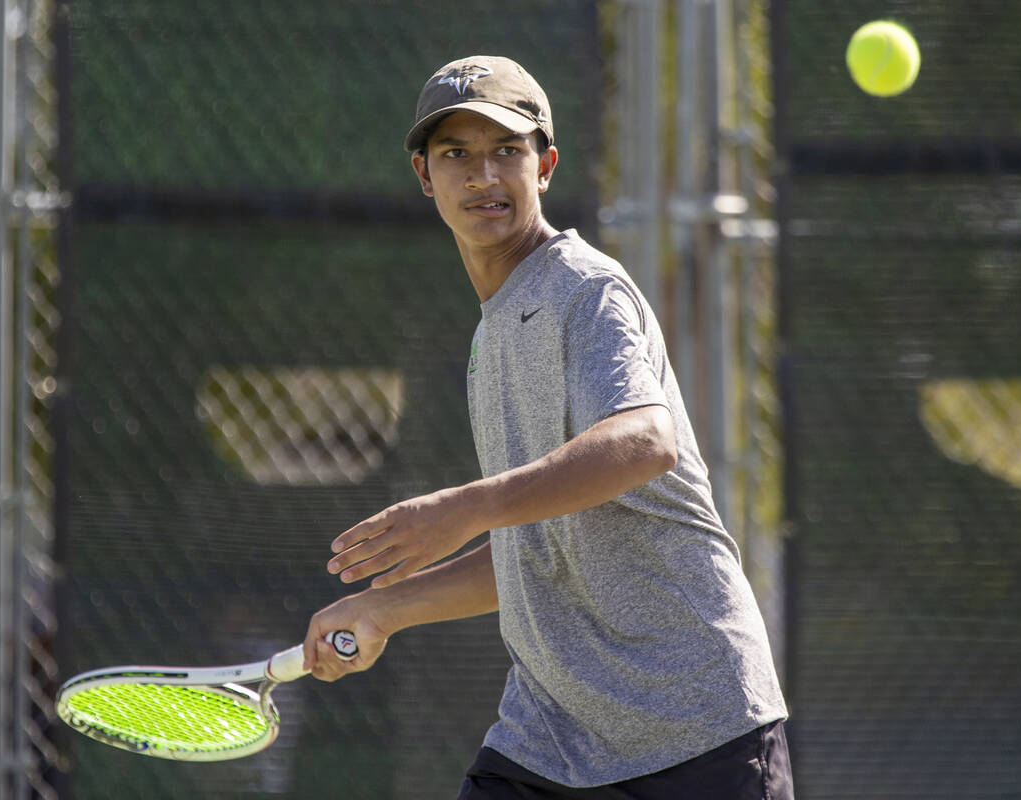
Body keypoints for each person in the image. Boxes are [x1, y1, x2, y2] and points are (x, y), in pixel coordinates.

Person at [303, 55, 792, 799]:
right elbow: (535, 552)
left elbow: (645, 441)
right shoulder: (491, 333)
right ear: (424, 177)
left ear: (546, 166)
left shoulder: (584, 290)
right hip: (550, 737)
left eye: (507, 150)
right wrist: (382, 608)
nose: (484, 176)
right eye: (456, 155)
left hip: (695, 726)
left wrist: (463, 507)